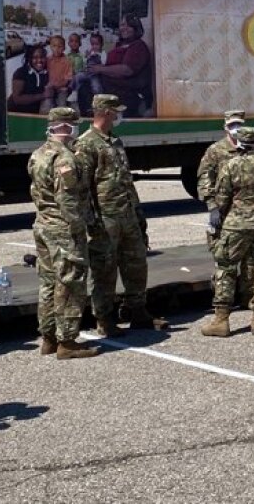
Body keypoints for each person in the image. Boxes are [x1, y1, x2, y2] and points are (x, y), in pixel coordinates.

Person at [73, 94, 165, 335]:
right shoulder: (86, 144)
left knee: (136, 263)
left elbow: (126, 181)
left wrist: (138, 214)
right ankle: (103, 319)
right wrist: (91, 221)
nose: (118, 115)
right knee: (104, 269)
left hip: (126, 214)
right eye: (115, 111)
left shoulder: (115, 141)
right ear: (104, 112)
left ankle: (138, 311)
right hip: (105, 218)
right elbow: (83, 188)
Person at [28, 107, 99, 360]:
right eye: (73, 125)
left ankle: (48, 337)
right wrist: (78, 225)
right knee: (71, 282)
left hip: (43, 225)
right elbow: (66, 198)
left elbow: (37, 192)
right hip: (63, 229)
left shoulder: (38, 154)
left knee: (48, 283)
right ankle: (67, 341)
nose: (75, 130)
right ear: (65, 127)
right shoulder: (65, 158)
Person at [202, 127, 254, 337]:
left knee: (226, 267)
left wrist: (226, 214)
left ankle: (221, 320)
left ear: (239, 143)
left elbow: (222, 199)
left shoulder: (231, 165)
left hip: (236, 225)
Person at [197, 110, 254, 306]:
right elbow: (205, 178)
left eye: (239, 124)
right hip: (224, 211)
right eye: (232, 125)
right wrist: (212, 207)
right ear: (225, 127)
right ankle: (223, 301)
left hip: (248, 212)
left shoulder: (253, 148)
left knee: (250, 259)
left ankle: (247, 297)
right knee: (224, 258)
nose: (236, 129)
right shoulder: (216, 151)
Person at [88, 15, 153, 117]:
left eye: (129, 26)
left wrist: (101, 69)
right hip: (110, 88)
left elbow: (127, 70)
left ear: (136, 29)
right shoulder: (119, 44)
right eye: (122, 25)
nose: (124, 28)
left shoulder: (138, 46)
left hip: (127, 93)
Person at [8, 45, 52, 114]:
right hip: (16, 114)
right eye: (35, 57)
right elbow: (17, 99)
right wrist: (43, 95)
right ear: (29, 59)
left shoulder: (47, 73)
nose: (39, 60)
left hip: (35, 115)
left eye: (42, 57)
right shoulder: (21, 72)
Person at [45, 34, 73, 109]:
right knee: (47, 105)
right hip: (50, 87)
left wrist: (58, 85)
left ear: (64, 48)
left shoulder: (67, 61)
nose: (56, 49)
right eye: (54, 46)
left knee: (62, 106)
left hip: (62, 89)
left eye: (60, 46)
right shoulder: (48, 60)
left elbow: (68, 78)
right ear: (50, 47)